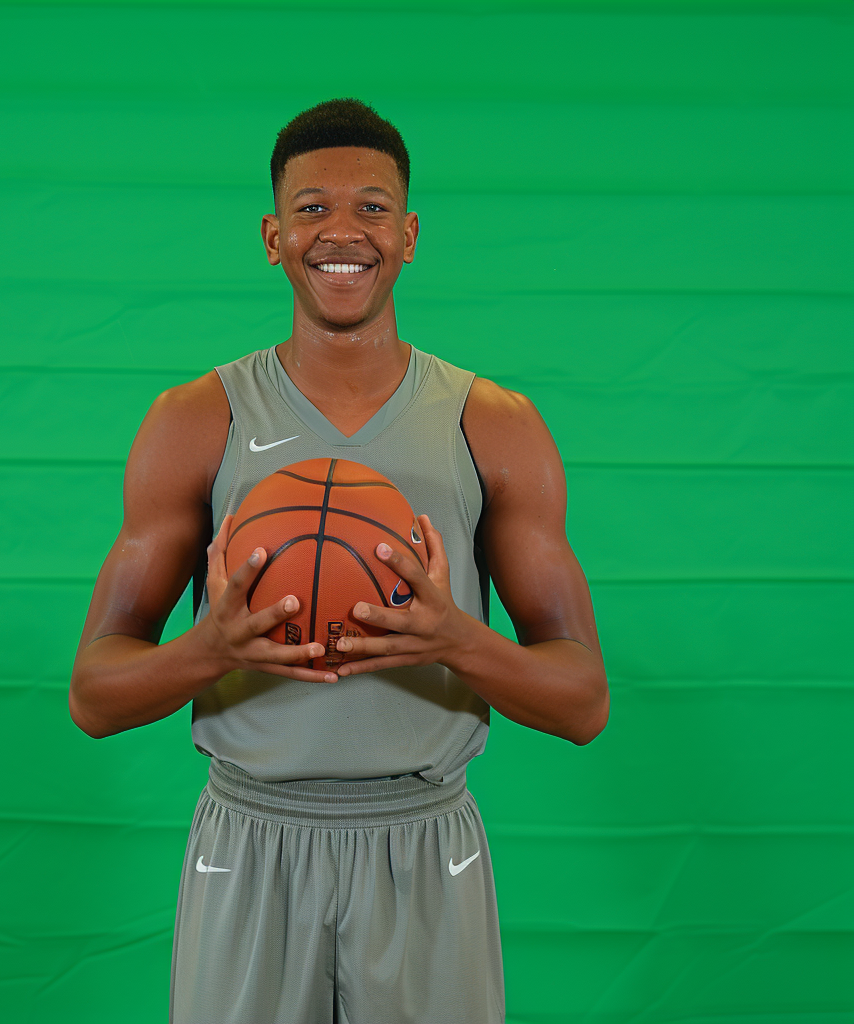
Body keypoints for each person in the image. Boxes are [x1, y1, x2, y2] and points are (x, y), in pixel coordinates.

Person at [69, 97, 609, 1024]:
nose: (342, 232)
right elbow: (94, 695)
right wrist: (214, 649)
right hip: (250, 834)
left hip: (423, 836)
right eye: (312, 209)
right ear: (273, 237)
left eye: (371, 207)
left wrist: (454, 638)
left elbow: (582, 702)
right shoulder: (197, 419)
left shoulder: (494, 425)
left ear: (409, 234)